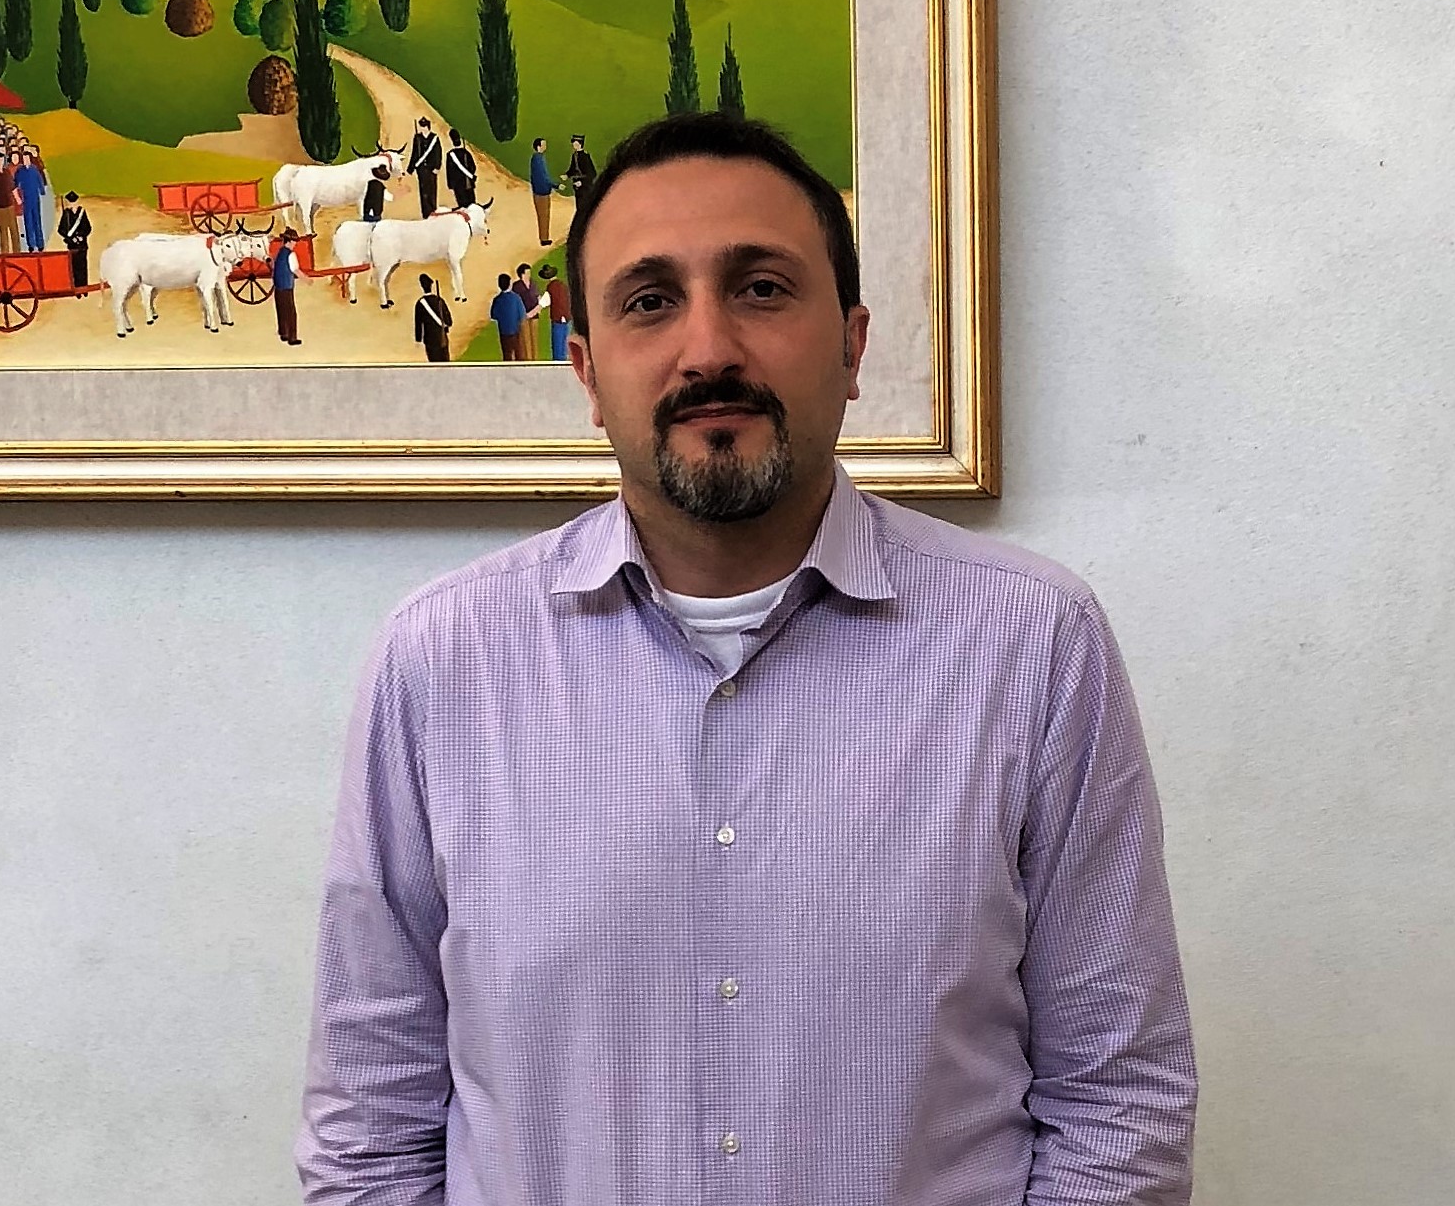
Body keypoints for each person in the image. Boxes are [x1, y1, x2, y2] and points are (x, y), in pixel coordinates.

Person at [295, 111, 1197, 1206]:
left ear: (853, 346)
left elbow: (1117, 1103)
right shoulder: (439, 664)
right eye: (648, 300)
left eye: (761, 288)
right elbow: (371, 1131)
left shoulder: (1033, 647)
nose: (709, 349)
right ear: (585, 370)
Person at [486, 271, 526, 361]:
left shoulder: (497, 300)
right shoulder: (516, 298)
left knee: (507, 354)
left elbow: (493, 315)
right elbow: (522, 314)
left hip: (503, 332)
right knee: (518, 353)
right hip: (515, 330)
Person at [16, 147, 50, 251]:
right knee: (28, 222)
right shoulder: (20, 171)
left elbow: (40, 180)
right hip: (26, 199)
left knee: (37, 221)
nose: (26, 160)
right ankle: (31, 244)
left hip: (35, 198)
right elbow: (16, 183)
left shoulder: (34, 169)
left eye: (27, 158)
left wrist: (42, 191)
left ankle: (40, 243)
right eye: (24, 159)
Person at [413, 273, 453, 362]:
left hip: (429, 338)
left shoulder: (420, 303)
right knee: (445, 361)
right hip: (442, 336)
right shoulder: (440, 300)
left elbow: (418, 323)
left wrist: (418, 339)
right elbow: (449, 321)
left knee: (433, 362)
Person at [408, 116, 444, 216]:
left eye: (424, 126)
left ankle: (433, 209)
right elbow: (415, 153)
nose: (422, 128)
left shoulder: (434, 138)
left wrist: (437, 167)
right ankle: (426, 212)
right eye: (421, 126)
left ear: (428, 127)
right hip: (421, 168)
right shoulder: (417, 138)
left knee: (432, 189)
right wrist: (411, 167)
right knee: (423, 190)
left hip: (431, 168)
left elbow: (438, 153)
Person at [272, 228, 302, 346]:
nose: (295, 244)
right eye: (294, 241)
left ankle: (283, 333)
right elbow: (296, 270)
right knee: (290, 313)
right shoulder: (291, 254)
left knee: (281, 310)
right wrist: (307, 279)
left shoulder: (280, 253)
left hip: (278, 286)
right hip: (287, 287)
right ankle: (292, 338)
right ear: (289, 241)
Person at [57, 192, 93, 288]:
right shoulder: (66, 214)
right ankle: (77, 287)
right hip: (72, 246)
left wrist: (82, 236)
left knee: (83, 266)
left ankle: (84, 286)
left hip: (82, 245)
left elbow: (88, 228)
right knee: (74, 267)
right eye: (71, 202)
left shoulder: (82, 213)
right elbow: (61, 230)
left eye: (74, 202)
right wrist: (70, 238)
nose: (72, 204)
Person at [0, 155, 22, 254]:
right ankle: (5, 252)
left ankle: (17, 251)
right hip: (0, 206)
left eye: (1, 161)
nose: (0, 163)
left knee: (14, 229)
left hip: (10, 204)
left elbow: (13, 187)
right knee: (3, 230)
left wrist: (17, 198)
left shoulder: (7, 172)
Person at [528, 135, 557, 246]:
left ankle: (544, 237)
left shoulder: (539, 158)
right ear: (538, 146)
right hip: (541, 192)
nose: (545, 146)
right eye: (543, 144)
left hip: (541, 191)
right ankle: (544, 238)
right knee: (544, 215)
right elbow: (543, 177)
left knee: (544, 215)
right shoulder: (538, 159)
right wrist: (554, 185)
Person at [539, 261, 570, 360]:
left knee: (557, 347)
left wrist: (533, 311)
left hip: (557, 319)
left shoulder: (551, 287)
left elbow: (543, 303)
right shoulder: (563, 286)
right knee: (565, 345)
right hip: (567, 317)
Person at [511, 263, 542, 361]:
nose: (529, 274)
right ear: (522, 274)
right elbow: (516, 302)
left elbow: (538, 296)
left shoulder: (533, 283)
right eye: (527, 273)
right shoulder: (517, 286)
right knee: (525, 339)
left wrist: (538, 308)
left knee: (534, 339)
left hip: (534, 315)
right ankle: (527, 359)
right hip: (523, 316)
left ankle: (535, 359)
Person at [444, 127, 479, 209]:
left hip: (458, 185)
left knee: (462, 205)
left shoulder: (450, 155)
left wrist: (450, 184)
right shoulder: (466, 153)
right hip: (468, 183)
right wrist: (470, 175)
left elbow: (449, 172)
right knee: (472, 204)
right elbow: (473, 167)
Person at [563, 132, 597, 197]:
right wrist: (567, 175)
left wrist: (582, 182)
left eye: (575, 143)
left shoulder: (585, 157)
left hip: (585, 186)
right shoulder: (574, 155)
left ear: (580, 144)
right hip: (576, 184)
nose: (573, 144)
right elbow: (573, 168)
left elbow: (592, 173)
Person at [361, 159, 389, 224]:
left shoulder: (372, 181)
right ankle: (373, 214)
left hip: (369, 212)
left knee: (371, 200)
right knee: (376, 200)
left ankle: (369, 214)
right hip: (375, 213)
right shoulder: (379, 184)